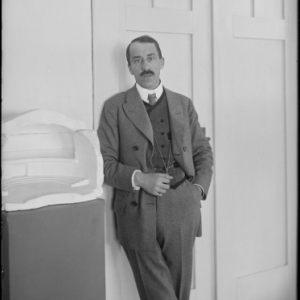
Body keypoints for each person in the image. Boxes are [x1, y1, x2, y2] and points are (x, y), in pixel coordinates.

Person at [98, 35, 213, 300]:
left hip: (182, 205)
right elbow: (104, 163)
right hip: (138, 210)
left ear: (161, 62)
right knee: (159, 295)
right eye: (137, 60)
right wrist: (140, 178)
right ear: (129, 67)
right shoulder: (115, 108)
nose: (145, 65)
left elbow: (202, 151)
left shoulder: (183, 104)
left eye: (150, 58)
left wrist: (197, 190)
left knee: (179, 293)